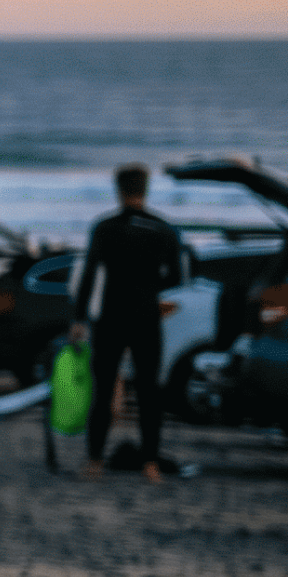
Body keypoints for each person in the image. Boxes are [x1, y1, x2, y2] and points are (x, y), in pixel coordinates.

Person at [70, 163, 185, 482]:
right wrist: (150, 291)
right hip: (146, 316)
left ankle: (94, 462)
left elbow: (91, 274)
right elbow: (177, 276)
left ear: (119, 190)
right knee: (149, 390)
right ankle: (150, 465)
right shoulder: (164, 228)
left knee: (104, 389)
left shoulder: (104, 227)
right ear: (145, 190)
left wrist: (78, 319)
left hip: (111, 317)